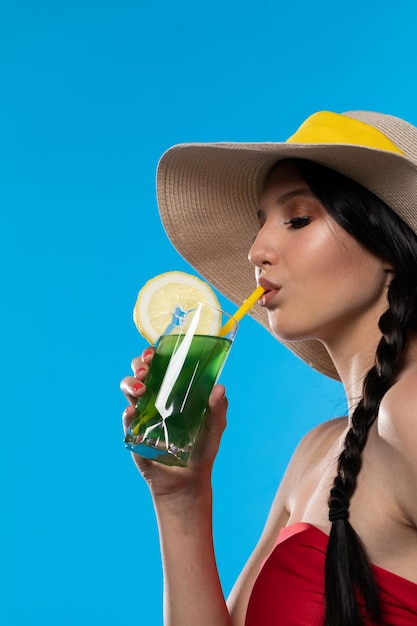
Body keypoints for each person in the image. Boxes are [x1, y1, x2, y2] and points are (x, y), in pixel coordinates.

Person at [120, 110, 417, 625]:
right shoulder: (315, 453)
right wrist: (180, 496)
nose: (257, 251)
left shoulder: (411, 412)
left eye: (298, 219)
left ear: (387, 242)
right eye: (261, 224)